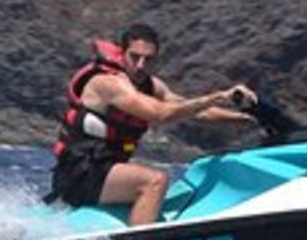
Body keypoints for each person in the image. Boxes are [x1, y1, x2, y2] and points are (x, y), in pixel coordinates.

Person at [47, 23, 257, 226]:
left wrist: (245, 118)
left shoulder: (152, 86)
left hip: (103, 171)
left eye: (148, 60)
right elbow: (159, 114)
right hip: (78, 174)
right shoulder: (107, 84)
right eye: (135, 57)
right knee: (154, 181)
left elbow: (194, 110)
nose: (141, 66)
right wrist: (219, 96)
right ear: (122, 53)